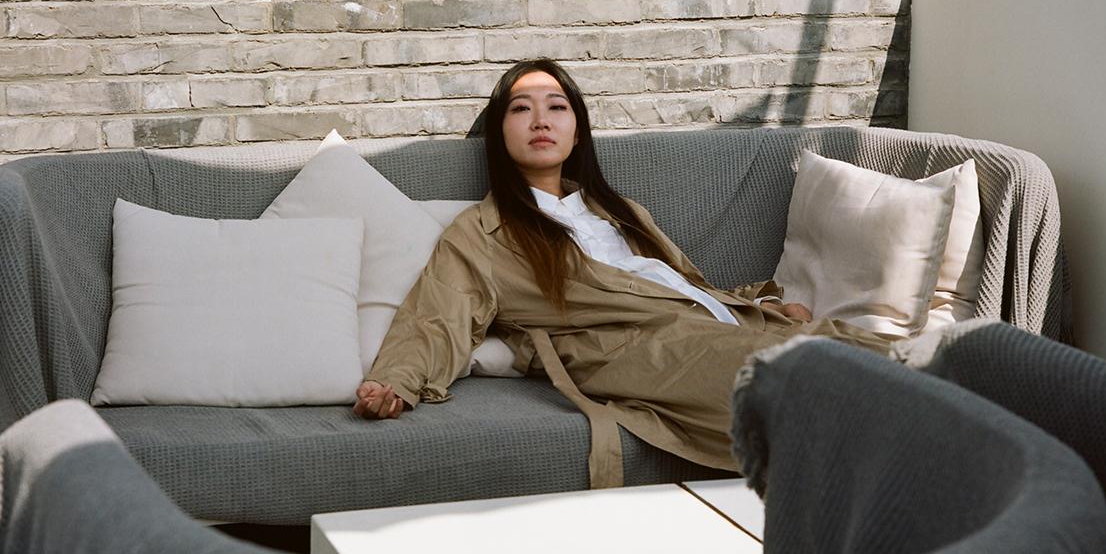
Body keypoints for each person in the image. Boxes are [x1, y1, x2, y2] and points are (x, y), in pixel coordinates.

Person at [354, 58, 894, 488]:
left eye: (557, 107)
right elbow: (438, 314)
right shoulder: (483, 232)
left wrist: (759, 303)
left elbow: (684, 287)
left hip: (723, 327)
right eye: (521, 109)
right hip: (639, 350)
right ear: (500, 134)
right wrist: (396, 382)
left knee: (877, 354)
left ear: (577, 132)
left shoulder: (622, 212)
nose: (541, 120)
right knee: (805, 379)